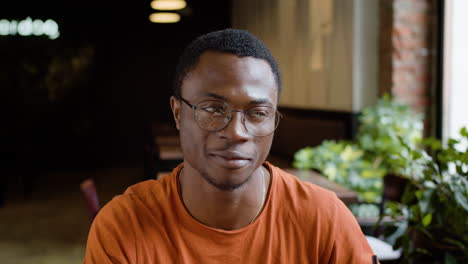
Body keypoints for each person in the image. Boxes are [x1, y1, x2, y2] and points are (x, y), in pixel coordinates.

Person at [84, 28, 375, 263]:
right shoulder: (124, 226)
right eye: (213, 109)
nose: (236, 132)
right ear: (177, 113)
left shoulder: (324, 219)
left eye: (258, 113)